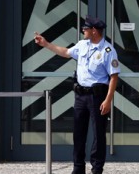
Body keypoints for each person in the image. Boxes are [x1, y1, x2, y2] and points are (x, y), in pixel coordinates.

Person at [34, 15, 120, 174]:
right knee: (78, 133)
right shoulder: (82, 45)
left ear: (94, 31)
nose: (83, 30)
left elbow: (114, 77)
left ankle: (97, 169)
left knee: (98, 134)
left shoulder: (108, 50)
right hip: (80, 95)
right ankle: (78, 168)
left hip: (97, 97)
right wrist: (46, 44)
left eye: (85, 29)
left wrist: (108, 100)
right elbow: (66, 52)